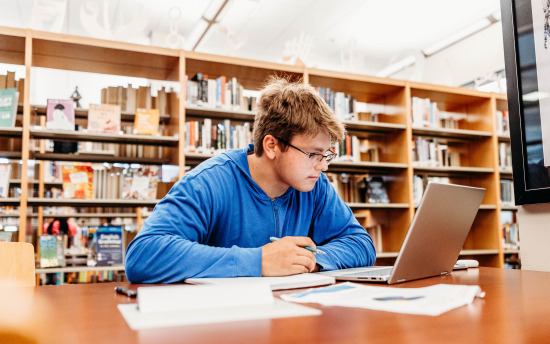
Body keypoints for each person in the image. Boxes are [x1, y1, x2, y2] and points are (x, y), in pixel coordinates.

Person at [124, 76, 376, 283]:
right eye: (313, 154)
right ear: (271, 146)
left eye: (326, 155)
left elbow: (361, 243)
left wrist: (310, 259)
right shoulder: (209, 182)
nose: (323, 166)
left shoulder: (315, 185)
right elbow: (143, 255)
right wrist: (259, 261)